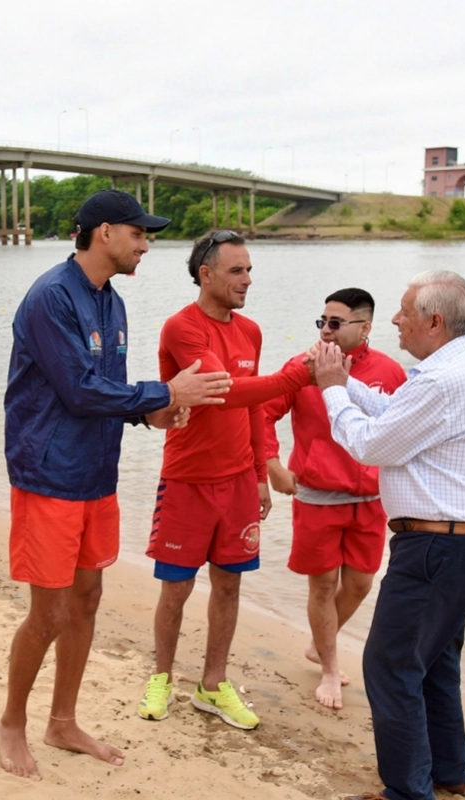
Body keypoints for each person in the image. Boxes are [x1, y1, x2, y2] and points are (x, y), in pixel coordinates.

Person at [0, 190, 233, 781]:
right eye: (138, 234)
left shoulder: (113, 303)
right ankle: (12, 723)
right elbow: (78, 390)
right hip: (48, 474)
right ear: (104, 232)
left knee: (87, 601)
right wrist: (165, 393)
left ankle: (63, 720)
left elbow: (109, 390)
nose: (146, 245)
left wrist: (150, 412)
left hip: (96, 473)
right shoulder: (51, 296)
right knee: (47, 613)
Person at [310, 271, 465, 800]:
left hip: (437, 545)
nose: (394, 320)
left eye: (403, 312)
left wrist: (332, 393)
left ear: (435, 322)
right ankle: (447, 774)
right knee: (435, 658)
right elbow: (399, 415)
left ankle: (407, 791)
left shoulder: (443, 380)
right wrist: (342, 379)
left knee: (390, 663)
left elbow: (374, 444)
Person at [137, 231, 312, 730]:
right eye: (237, 271)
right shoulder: (181, 328)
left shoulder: (251, 331)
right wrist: (301, 373)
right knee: (176, 587)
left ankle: (212, 685)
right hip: (188, 479)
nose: (248, 280)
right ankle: (162, 677)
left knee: (229, 585)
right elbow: (225, 392)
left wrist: (259, 473)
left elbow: (256, 409)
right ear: (206, 275)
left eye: (250, 269)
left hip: (237, 482)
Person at [260, 288, 406, 711]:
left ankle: (318, 643)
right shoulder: (301, 367)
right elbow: (262, 413)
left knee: (360, 582)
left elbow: (403, 429)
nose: (326, 329)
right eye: (322, 321)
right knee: (322, 584)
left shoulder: (390, 371)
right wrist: (271, 467)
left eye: (336, 323)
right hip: (317, 496)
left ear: (365, 328)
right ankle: (329, 667)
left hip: (371, 499)